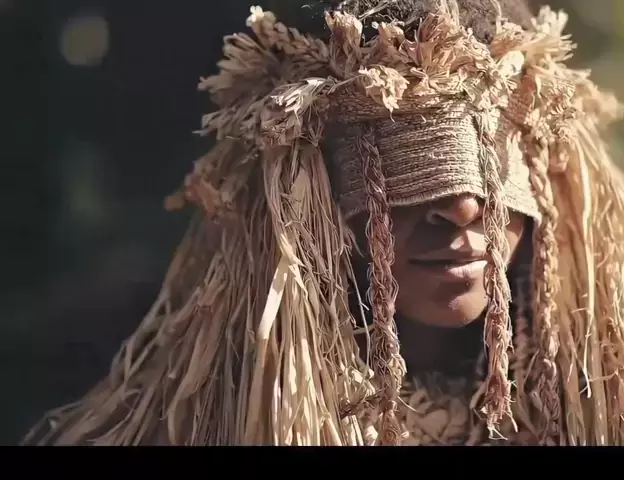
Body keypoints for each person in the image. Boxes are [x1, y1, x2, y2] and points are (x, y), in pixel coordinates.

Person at [25, 0, 624, 445]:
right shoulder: (191, 421)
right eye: (397, 152)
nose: (464, 208)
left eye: (497, 155)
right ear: (303, 181)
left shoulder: (599, 405)